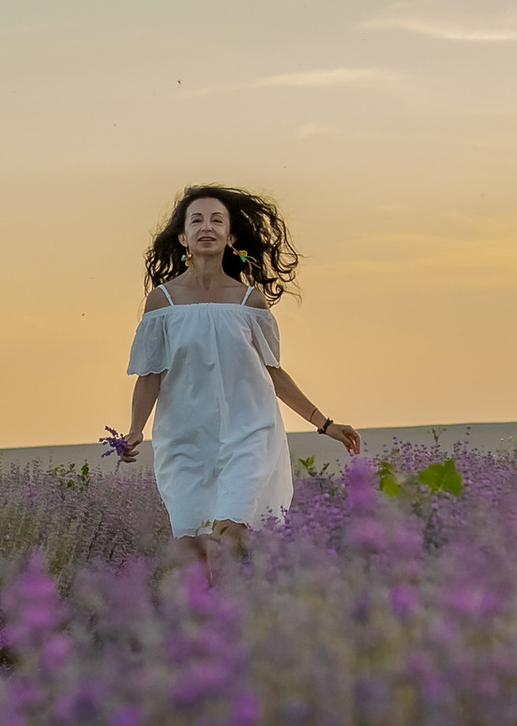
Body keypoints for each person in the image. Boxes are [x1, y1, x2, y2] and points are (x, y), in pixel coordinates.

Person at [118, 184, 361, 559]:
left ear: (231, 236)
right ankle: (212, 614)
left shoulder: (250, 302)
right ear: (183, 237)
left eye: (217, 220)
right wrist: (135, 430)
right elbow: (149, 375)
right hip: (185, 439)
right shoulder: (161, 303)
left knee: (232, 534)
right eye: (196, 220)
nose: (207, 227)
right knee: (194, 550)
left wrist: (325, 424)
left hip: (247, 432)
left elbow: (274, 373)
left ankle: (240, 610)